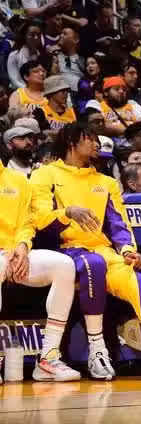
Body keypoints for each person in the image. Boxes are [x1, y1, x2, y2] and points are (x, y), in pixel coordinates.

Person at [29, 122, 141, 381]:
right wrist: (67, 213)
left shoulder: (106, 182)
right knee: (94, 264)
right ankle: (97, 352)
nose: (97, 143)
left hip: (103, 252)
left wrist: (128, 251)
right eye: (90, 138)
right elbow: (40, 222)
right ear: (72, 142)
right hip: (64, 252)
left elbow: (119, 224)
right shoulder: (45, 175)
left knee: (138, 280)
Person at [0, 158, 80, 383]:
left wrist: (22, 247)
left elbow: (27, 222)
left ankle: (48, 359)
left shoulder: (17, 180)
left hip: (15, 252)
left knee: (64, 265)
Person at [38, 75, 76, 139]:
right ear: (51, 93)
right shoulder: (40, 112)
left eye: (67, 90)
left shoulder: (74, 112)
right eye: (63, 91)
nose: (66, 93)